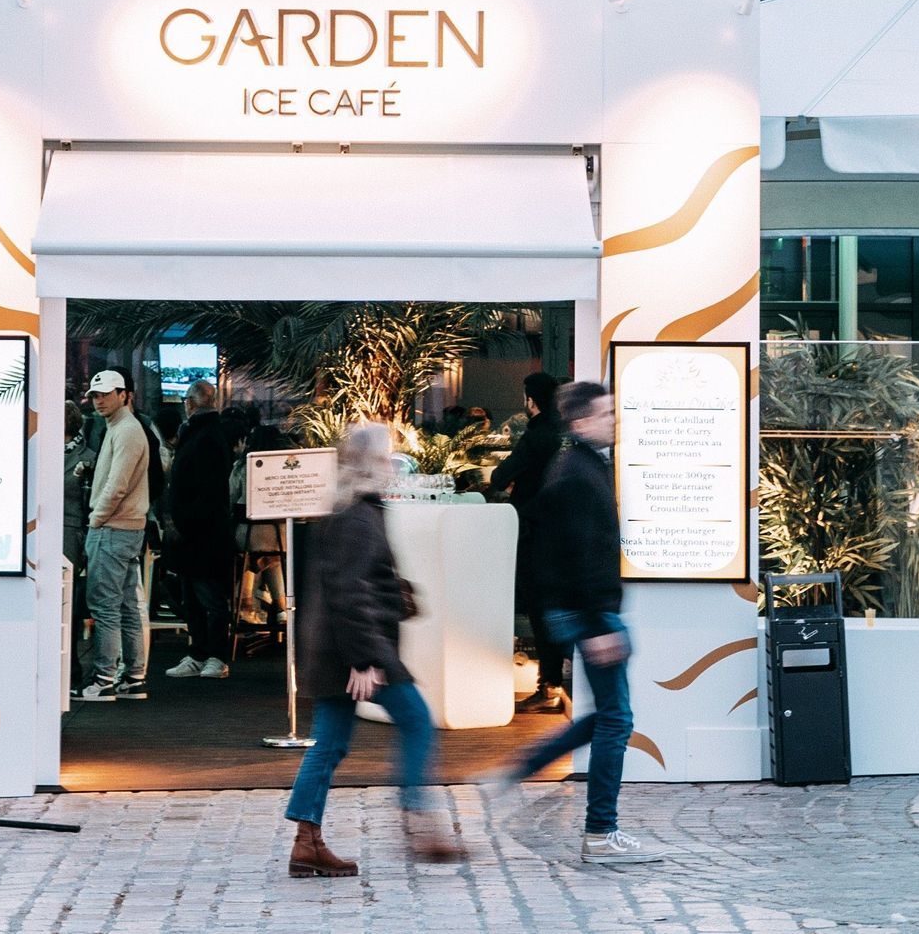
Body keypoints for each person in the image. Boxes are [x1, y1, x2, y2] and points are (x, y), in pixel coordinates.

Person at [486, 379, 661, 866]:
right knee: (615, 720)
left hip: (593, 610)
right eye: (606, 414)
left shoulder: (581, 466)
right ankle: (601, 831)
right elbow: (576, 556)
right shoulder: (576, 474)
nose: (614, 421)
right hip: (593, 613)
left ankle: (524, 766)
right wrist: (596, 623)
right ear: (582, 421)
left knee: (606, 715)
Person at [282, 423, 459, 877]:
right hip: (357, 652)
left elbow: (352, 586)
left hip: (336, 652)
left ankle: (306, 840)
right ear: (371, 463)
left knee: (330, 744)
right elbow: (350, 594)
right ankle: (418, 820)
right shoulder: (357, 518)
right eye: (386, 457)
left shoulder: (349, 510)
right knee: (417, 721)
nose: (393, 466)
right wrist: (364, 661)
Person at [488, 372, 569, 713]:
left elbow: (499, 477)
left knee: (539, 609)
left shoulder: (537, 435)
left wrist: (515, 484)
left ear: (531, 400)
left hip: (536, 535)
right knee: (557, 608)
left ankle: (549, 685)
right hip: (564, 533)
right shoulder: (566, 435)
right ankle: (557, 680)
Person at [78, 368, 155, 702]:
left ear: (124, 395)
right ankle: (133, 677)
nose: (99, 401)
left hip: (112, 528)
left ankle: (104, 679)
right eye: (95, 395)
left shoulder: (125, 430)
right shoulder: (124, 428)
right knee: (125, 605)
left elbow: (117, 485)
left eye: (106, 394)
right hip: (125, 527)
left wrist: (96, 519)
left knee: (106, 606)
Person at [163, 378, 238, 680]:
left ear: (190, 403)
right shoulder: (209, 434)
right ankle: (201, 654)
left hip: (201, 534)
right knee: (196, 597)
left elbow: (207, 490)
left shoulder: (202, 436)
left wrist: (180, 520)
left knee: (206, 597)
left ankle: (213, 655)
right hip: (200, 532)